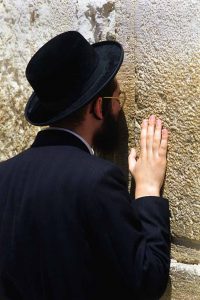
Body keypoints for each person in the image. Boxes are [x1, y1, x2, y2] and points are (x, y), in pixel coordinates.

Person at [0, 31, 170, 300]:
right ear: (98, 108)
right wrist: (147, 189)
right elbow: (146, 279)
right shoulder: (97, 180)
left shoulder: (4, 176)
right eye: (117, 100)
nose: (118, 109)